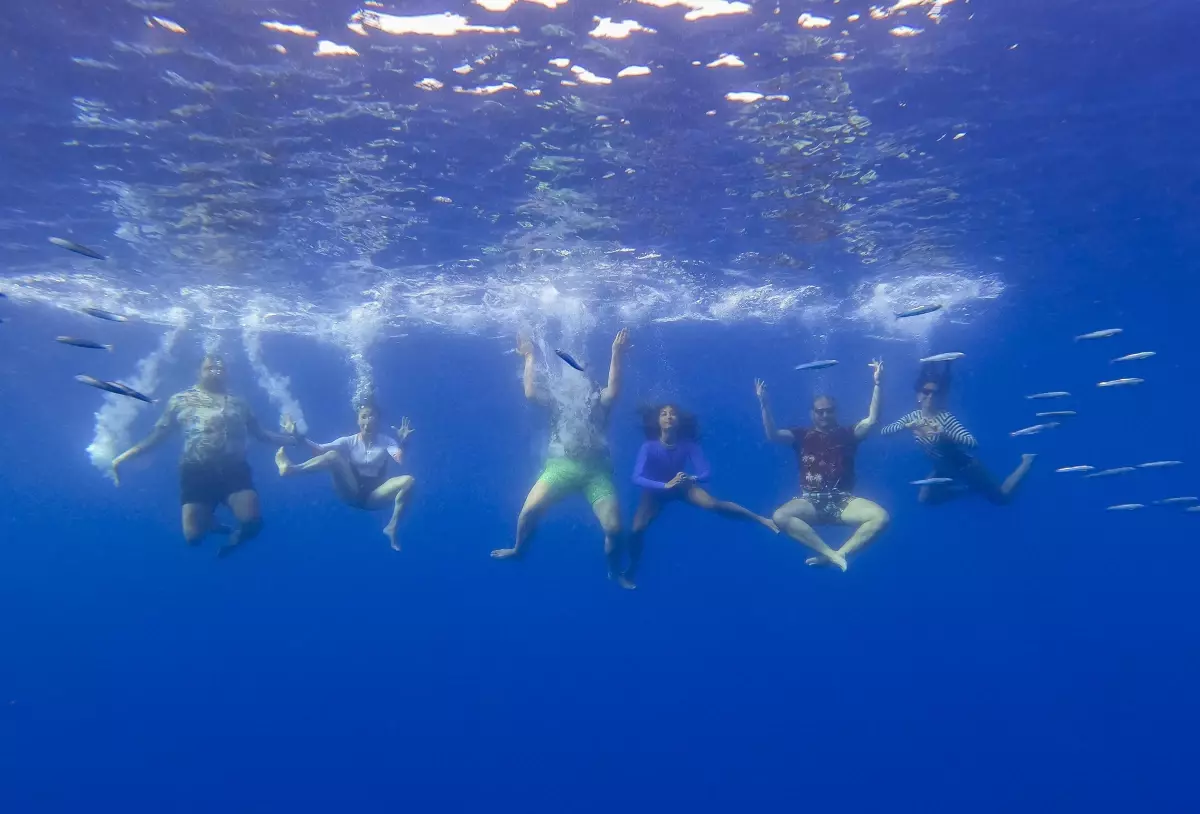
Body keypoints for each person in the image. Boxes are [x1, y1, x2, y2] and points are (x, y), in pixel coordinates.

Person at [111, 354, 304, 554]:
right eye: (209, 367)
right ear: (198, 372)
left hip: (234, 470)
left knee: (252, 522)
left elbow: (261, 434)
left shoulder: (239, 403)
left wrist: (293, 439)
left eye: (220, 368)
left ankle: (235, 539)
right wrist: (122, 458)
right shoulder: (180, 400)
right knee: (193, 538)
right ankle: (211, 523)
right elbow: (157, 436)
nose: (215, 371)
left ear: (228, 373)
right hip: (196, 470)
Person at [491, 329, 631, 584]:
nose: (574, 385)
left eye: (579, 379)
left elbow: (614, 388)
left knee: (614, 528)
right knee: (527, 512)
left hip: (596, 473)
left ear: (588, 381)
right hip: (560, 468)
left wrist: (616, 354)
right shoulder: (557, 402)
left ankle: (614, 570)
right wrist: (529, 357)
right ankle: (518, 549)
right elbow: (531, 394)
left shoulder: (599, 400)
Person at [623, 404, 778, 588]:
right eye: (664, 414)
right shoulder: (648, 447)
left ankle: (761, 519)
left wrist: (692, 478)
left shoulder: (688, 445)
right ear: (658, 421)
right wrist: (665, 485)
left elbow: (705, 472)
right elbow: (636, 477)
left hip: (681, 485)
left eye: (672, 414)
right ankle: (631, 569)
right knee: (637, 529)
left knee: (713, 504)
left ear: (679, 421)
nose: (668, 417)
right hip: (656, 491)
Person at [755, 360, 889, 571]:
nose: (825, 415)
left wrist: (878, 384)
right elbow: (773, 435)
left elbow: (872, 420)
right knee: (779, 516)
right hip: (811, 501)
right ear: (812, 414)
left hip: (844, 501)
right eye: (820, 411)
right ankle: (829, 553)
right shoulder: (801, 435)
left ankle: (839, 554)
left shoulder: (848, 434)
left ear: (835, 412)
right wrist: (764, 405)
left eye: (829, 411)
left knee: (881, 517)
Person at [881, 361, 1035, 505]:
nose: (930, 396)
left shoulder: (945, 418)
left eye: (935, 393)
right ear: (918, 394)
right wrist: (906, 426)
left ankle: (1027, 460)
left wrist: (944, 434)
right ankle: (969, 489)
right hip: (942, 467)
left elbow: (973, 443)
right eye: (926, 392)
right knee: (925, 500)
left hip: (965, 466)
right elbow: (885, 432)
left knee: (1002, 497)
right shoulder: (912, 417)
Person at [275, 404, 416, 551]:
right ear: (357, 420)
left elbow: (398, 459)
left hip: (375, 496)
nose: (368, 421)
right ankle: (291, 469)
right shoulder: (348, 441)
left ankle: (392, 527)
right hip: (351, 491)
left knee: (409, 481)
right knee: (332, 456)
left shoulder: (387, 441)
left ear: (378, 420)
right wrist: (297, 435)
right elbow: (318, 449)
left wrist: (403, 441)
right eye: (364, 416)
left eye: (372, 416)